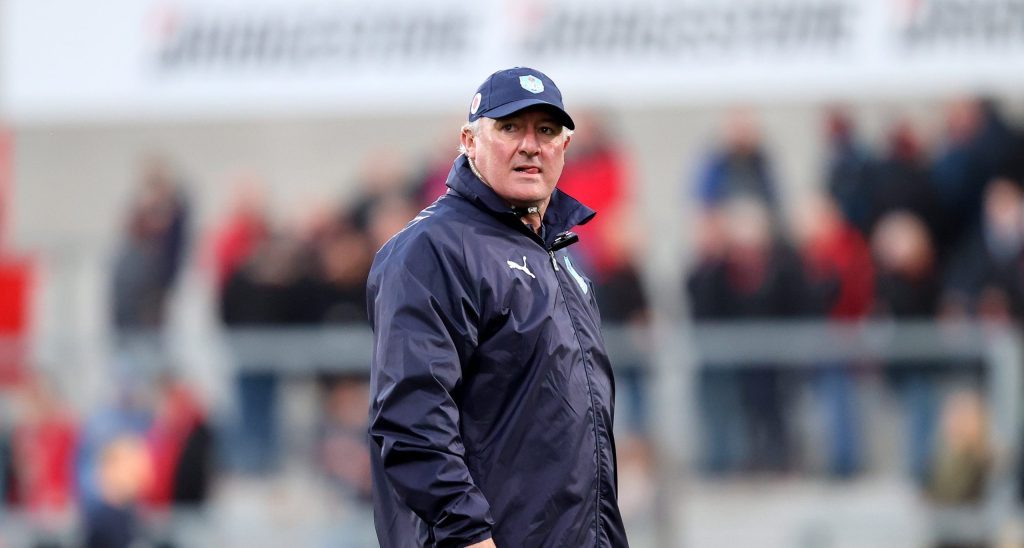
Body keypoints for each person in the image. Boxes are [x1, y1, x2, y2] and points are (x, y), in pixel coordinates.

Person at [367, 67, 628, 547]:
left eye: (546, 130)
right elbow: (411, 415)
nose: (531, 145)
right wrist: (465, 533)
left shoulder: (561, 255)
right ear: (468, 140)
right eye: (509, 128)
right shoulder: (433, 249)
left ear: (564, 149)